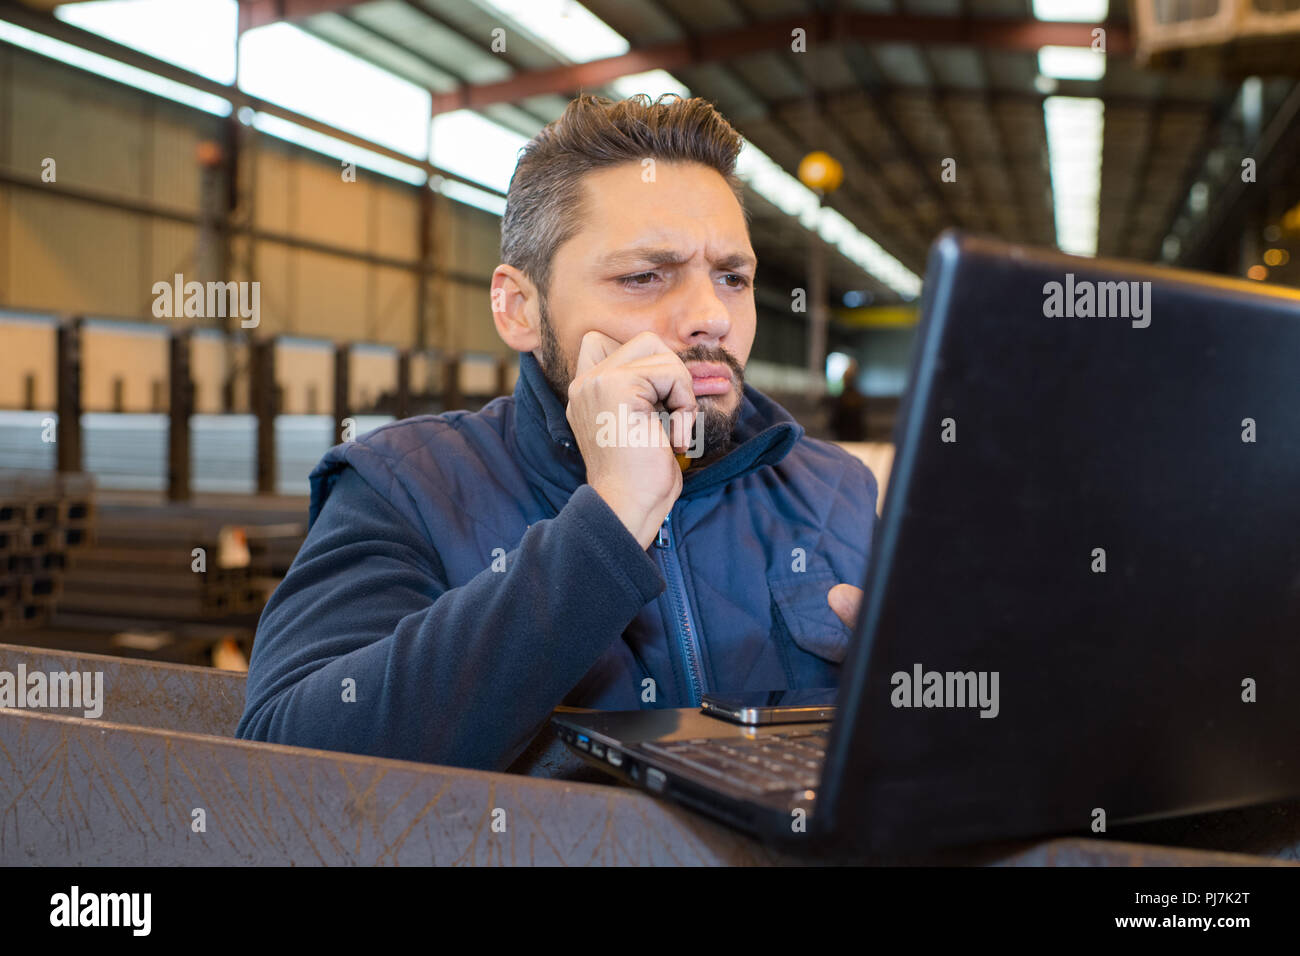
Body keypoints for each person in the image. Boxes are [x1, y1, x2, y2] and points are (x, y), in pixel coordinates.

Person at [236, 94, 878, 771]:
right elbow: (287, 766)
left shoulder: (833, 489)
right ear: (520, 309)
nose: (710, 314)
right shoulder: (406, 487)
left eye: (732, 277)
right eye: (643, 276)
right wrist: (608, 520)